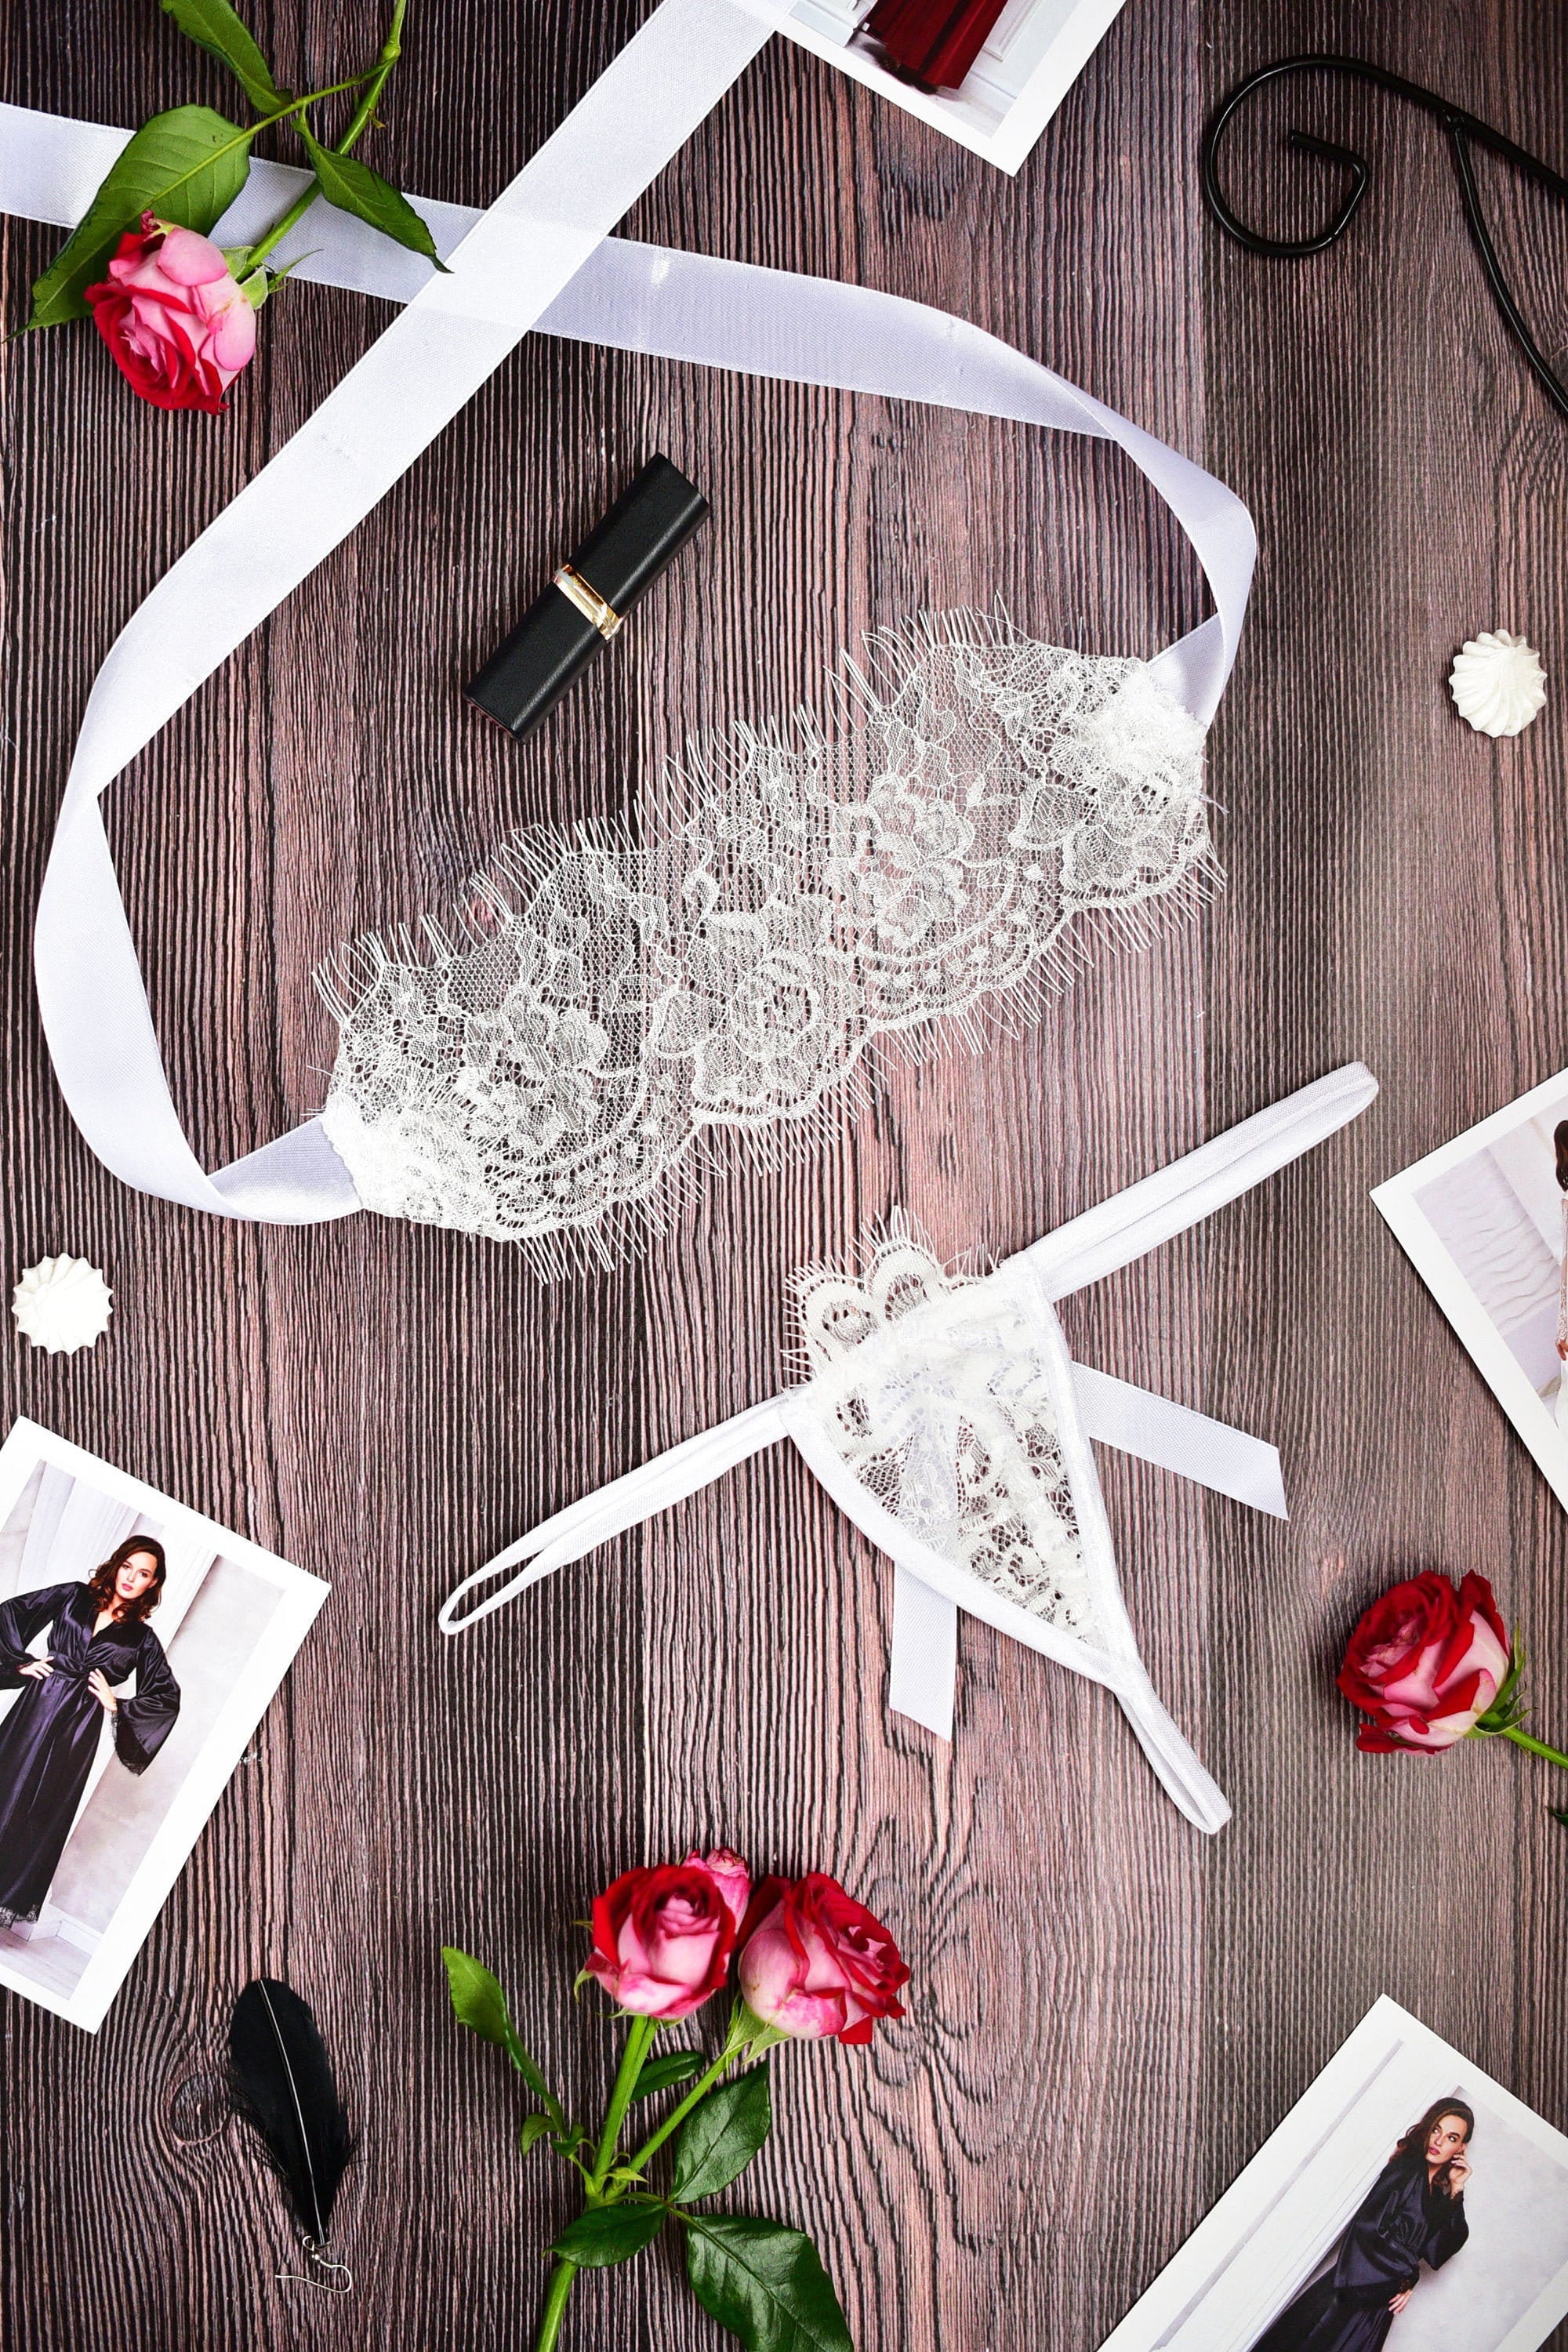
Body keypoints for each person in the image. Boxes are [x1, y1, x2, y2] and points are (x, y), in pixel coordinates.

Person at [0, 1537, 181, 1927]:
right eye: (128, 1566)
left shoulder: (141, 1638)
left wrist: (117, 1705)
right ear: (117, 1564)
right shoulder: (73, 1596)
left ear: (153, 1583)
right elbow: (10, 1614)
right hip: (37, 1703)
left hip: (77, 1726)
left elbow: (166, 1695)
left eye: (144, 1573)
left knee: (39, 1805)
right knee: (5, 1784)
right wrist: (19, 1665)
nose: (132, 1577)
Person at [1252, 2100, 1472, 2350]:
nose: (1439, 2141)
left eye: (1451, 2137)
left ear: (1461, 2147)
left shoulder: (1436, 2196)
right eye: (1436, 2130)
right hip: (1353, 2290)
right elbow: (1368, 2230)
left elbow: (1439, 2248)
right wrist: (1406, 2277)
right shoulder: (1405, 2170)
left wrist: (1457, 2189)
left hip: (1379, 2302)